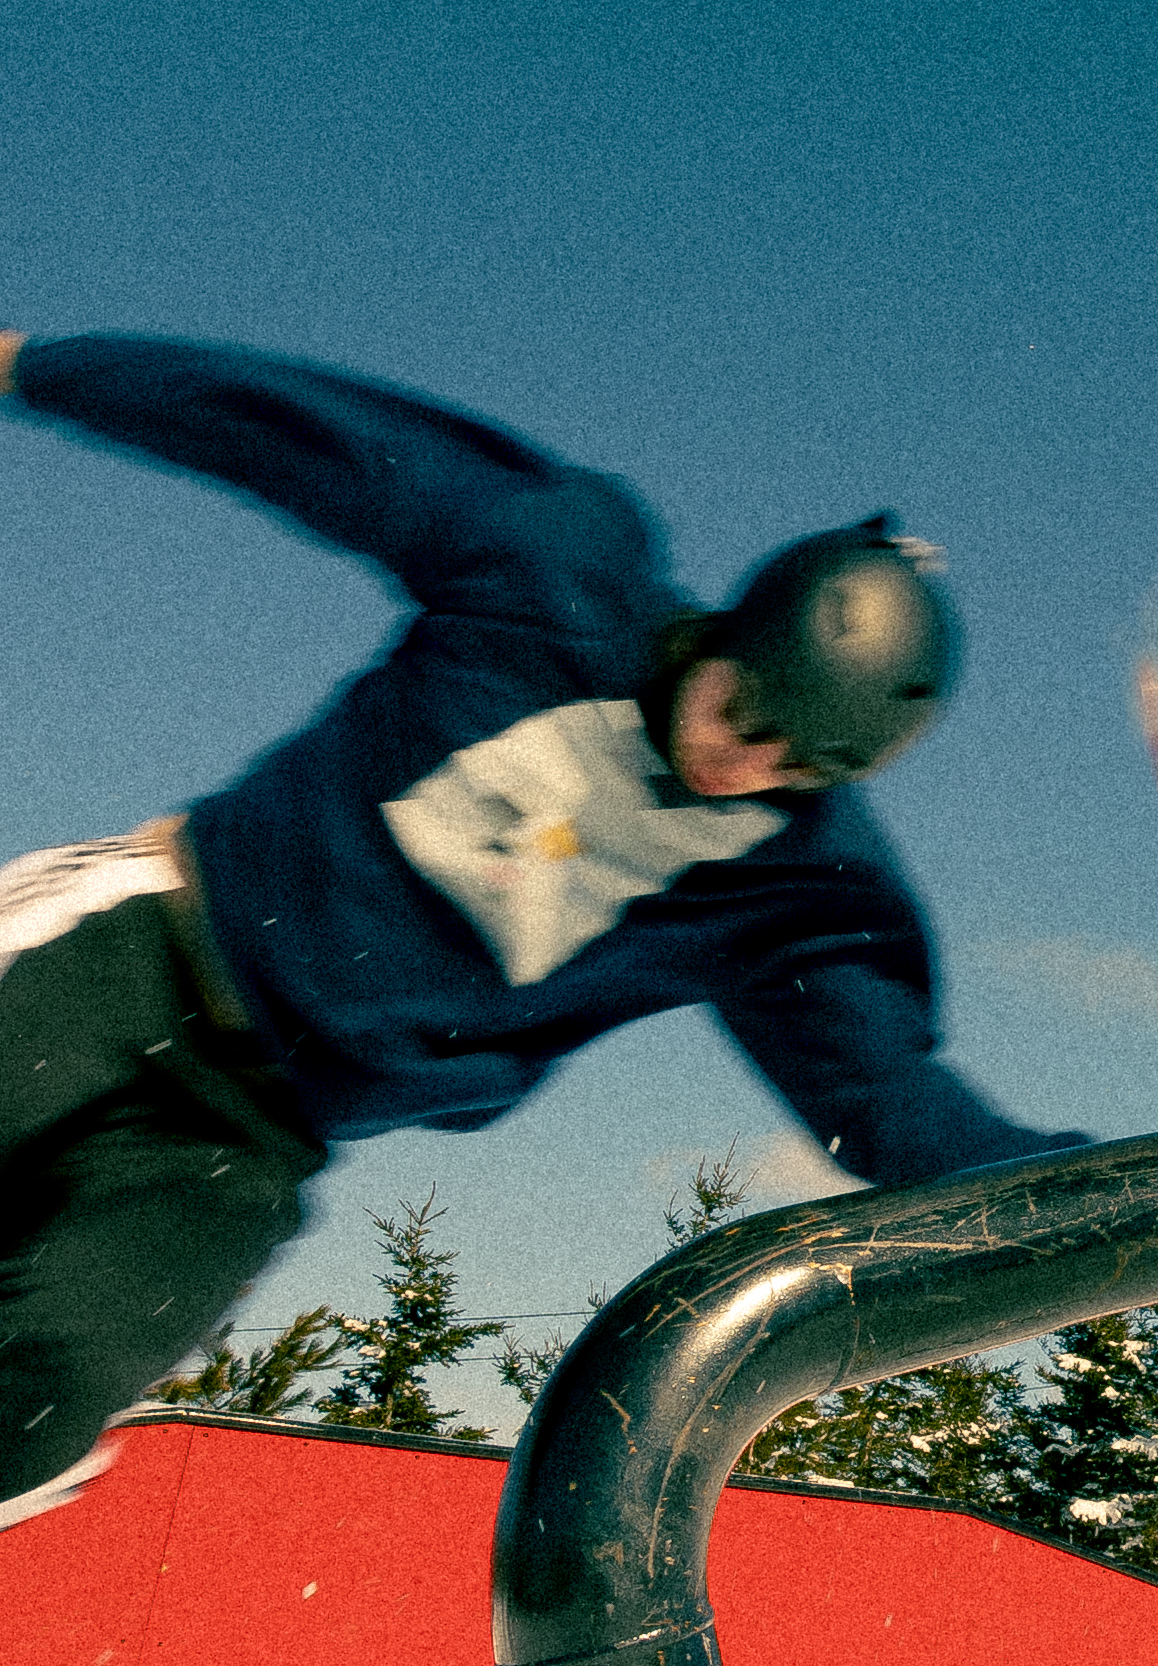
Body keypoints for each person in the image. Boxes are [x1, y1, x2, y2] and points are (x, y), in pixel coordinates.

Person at [0, 327, 1081, 1527]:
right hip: (136, 950)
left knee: (35, 1408)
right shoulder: (554, 569)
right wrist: (32, 366)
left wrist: (1096, 1186)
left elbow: (889, 1099)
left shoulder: (802, 890)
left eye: (794, 762)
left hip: (259, 1131)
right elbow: (307, 431)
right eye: (743, 708)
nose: (741, 762)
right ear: (729, 629)